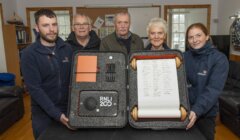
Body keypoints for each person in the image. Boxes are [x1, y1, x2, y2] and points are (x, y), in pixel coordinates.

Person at [21, 9, 73, 139]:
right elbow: (35, 89)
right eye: (46, 25)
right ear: (37, 28)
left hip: (67, 109)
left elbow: (74, 79)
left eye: (54, 24)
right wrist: (57, 115)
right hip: (42, 113)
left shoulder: (67, 49)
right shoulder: (29, 54)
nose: (51, 29)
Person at [184, 23, 229, 140]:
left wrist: (197, 109)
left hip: (206, 114)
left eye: (198, 35)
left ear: (207, 36)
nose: (194, 40)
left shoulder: (219, 59)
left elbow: (213, 89)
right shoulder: (183, 57)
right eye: (191, 37)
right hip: (184, 111)